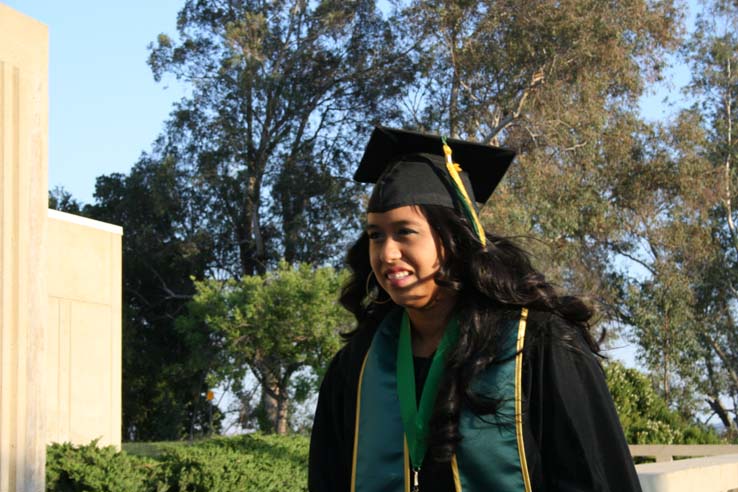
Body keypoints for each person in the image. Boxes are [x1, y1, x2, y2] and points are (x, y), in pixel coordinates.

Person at [308, 126, 642, 492]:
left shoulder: (536, 345)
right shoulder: (356, 367)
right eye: (375, 235)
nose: (387, 254)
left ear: (455, 239)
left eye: (405, 232)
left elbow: (596, 479)